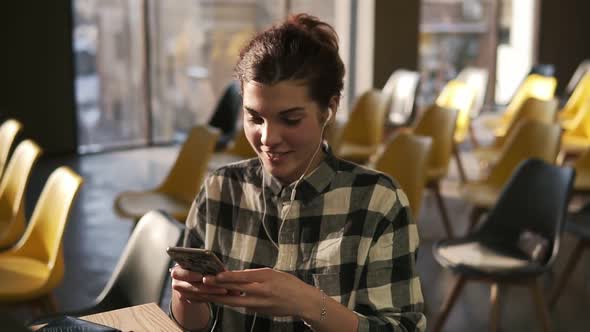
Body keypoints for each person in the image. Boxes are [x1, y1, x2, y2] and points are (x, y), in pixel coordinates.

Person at [169, 13, 426, 331]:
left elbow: (402, 328)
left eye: (290, 119)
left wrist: (308, 304)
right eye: (254, 118)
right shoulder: (219, 188)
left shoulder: (378, 201)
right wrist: (187, 296)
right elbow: (190, 326)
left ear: (328, 110)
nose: (267, 138)